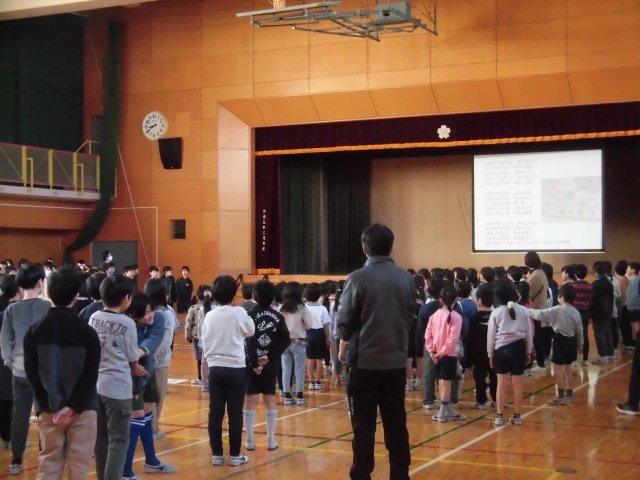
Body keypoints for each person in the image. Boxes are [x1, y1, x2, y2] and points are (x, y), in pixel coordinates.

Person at [337, 223, 414, 480]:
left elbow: (344, 320)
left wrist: (346, 340)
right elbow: (409, 317)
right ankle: (400, 475)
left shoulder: (356, 278)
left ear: (364, 248)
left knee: (362, 427)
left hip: (364, 364)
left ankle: (361, 475)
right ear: (391, 247)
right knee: (396, 424)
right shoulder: (406, 278)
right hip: (394, 363)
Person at [23, 267, 101, 480]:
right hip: (83, 409)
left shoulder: (34, 331)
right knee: (79, 468)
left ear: (47, 293)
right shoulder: (87, 332)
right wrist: (73, 406)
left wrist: (44, 405)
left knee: (49, 464)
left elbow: (32, 375)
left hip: (49, 408)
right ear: (76, 296)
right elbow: (90, 376)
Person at [89, 275, 143, 480]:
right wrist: (142, 352)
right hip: (118, 388)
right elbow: (131, 355)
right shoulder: (126, 323)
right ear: (126, 298)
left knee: (101, 440)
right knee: (119, 442)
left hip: (97, 386)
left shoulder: (94, 317)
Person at [0, 264, 51, 475]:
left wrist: (11, 363)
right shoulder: (48, 307)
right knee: (45, 416)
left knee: (19, 416)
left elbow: (5, 341)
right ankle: (45, 457)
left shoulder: (12, 310)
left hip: (19, 371)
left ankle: (16, 461)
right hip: (43, 373)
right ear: (40, 283)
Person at [201, 275, 255, 467]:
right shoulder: (239, 312)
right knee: (235, 413)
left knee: (215, 413)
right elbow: (251, 331)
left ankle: (217, 454)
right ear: (234, 295)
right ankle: (235, 455)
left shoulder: (209, 315)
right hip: (236, 369)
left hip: (215, 368)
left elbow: (204, 340)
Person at [122, 292, 175, 480]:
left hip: (147, 370)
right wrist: (131, 363)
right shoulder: (126, 323)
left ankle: (151, 461)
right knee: (137, 417)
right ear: (133, 315)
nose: (150, 315)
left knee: (147, 412)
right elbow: (118, 349)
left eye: (150, 310)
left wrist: (139, 352)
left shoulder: (158, 317)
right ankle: (125, 472)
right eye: (144, 314)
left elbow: (154, 339)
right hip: (131, 376)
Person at [244, 280, 290, 451]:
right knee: (270, 399)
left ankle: (250, 441)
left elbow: (246, 340)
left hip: (251, 363)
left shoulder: (248, 315)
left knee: (250, 400)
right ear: (273, 297)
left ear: (253, 296)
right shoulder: (278, 316)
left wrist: (254, 361)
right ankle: (271, 440)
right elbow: (285, 339)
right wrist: (269, 356)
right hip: (270, 364)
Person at [488, 279, 534, 427]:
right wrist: (528, 351)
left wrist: (490, 354)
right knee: (517, 385)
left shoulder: (496, 312)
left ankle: (499, 417)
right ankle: (517, 417)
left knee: (501, 384)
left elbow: (491, 336)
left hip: (500, 350)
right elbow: (529, 333)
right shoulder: (523, 310)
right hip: (518, 348)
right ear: (515, 293)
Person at [531, 284, 583, 404]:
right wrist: (580, 345)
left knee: (557, 369)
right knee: (567, 369)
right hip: (572, 341)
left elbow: (540, 314)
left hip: (560, 340)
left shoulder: (558, 309)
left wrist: (526, 310)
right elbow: (580, 331)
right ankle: (569, 395)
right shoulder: (576, 312)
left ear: (562, 297)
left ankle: (560, 396)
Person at [425, 283, 465, 423]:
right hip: (448, 355)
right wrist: (439, 353)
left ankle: (446, 409)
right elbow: (453, 339)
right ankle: (443, 411)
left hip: (437, 354)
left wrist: (432, 351)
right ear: (456, 299)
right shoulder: (456, 317)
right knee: (446, 382)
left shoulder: (434, 315)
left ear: (440, 299)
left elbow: (427, 335)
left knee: (443, 382)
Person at [463, 283, 496, 409]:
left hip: (479, 354)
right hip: (494, 353)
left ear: (480, 300)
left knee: (479, 379)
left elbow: (470, 339)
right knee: (495, 377)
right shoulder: (496, 315)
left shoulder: (475, 318)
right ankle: (496, 399)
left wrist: (468, 359)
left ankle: (481, 401)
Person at [279, 282, 312, 406]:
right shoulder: (302, 307)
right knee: (299, 369)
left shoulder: (281, 308)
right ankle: (299, 396)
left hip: (284, 342)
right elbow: (309, 325)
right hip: (299, 341)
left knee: (285, 369)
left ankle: (287, 396)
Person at [0, 275, 20, 450]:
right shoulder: (16, 312)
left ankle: (6, 437)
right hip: (10, 363)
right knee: (10, 403)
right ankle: (9, 439)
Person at [304, 282, 331, 390]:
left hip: (308, 334)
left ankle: (311, 382)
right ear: (319, 295)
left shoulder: (304, 307)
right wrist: (327, 338)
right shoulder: (323, 308)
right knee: (319, 359)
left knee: (309, 358)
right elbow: (326, 326)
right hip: (320, 334)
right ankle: (318, 382)